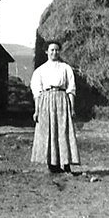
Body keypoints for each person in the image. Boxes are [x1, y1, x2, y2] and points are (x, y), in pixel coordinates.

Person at [30, 41, 80, 174]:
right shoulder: (40, 71)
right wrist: (37, 110)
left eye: (57, 50)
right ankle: (52, 165)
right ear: (46, 51)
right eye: (51, 50)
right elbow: (37, 93)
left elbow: (71, 89)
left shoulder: (66, 68)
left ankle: (66, 165)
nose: (54, 53)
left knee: (64, 132)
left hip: (62, 100)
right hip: (46, 101)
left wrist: (72, 108)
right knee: (48, 132)